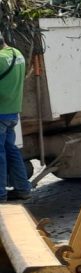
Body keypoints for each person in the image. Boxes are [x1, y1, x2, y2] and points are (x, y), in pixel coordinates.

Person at [0, 35, 31, 201]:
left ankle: (1, 194)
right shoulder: (17, 54)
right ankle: (23, 189)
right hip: (13, 112)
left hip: (0, 112)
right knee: (11, 150)